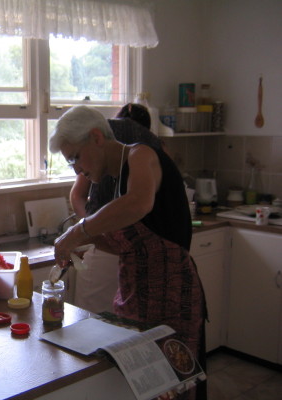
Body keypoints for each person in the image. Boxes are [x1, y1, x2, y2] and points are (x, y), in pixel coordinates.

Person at [50, 105, 206, 400]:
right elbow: (132, 246)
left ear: (96, 137)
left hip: (172, 298)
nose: (76, 169)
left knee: (169, 387)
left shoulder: (141, 156)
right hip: (134, 295)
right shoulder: (114, 177)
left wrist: (78, 232)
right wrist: (92, 241)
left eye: (75, 157)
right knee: (135, 385)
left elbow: (139, 203)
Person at [70, 103, 161, 313]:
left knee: (94, 321)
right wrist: (90, 229)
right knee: (126, 324)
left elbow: (78, 195)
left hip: (113, 251)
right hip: (135, 250)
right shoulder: (155, 145)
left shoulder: (138, 153)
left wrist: (87, 227)